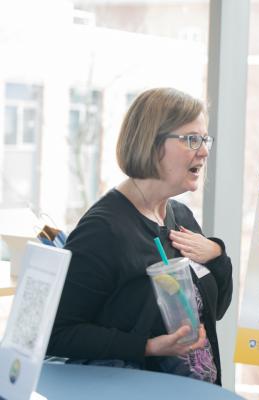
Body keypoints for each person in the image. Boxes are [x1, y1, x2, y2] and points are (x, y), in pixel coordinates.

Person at [48, 88, 233, 385]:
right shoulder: (102, 230)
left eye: (204, 139)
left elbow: (216, 311)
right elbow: (56, 333)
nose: (204, 151)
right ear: (151, 143)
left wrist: (218, 256)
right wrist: (147, 347)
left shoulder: (181, 218)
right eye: (191, 139)